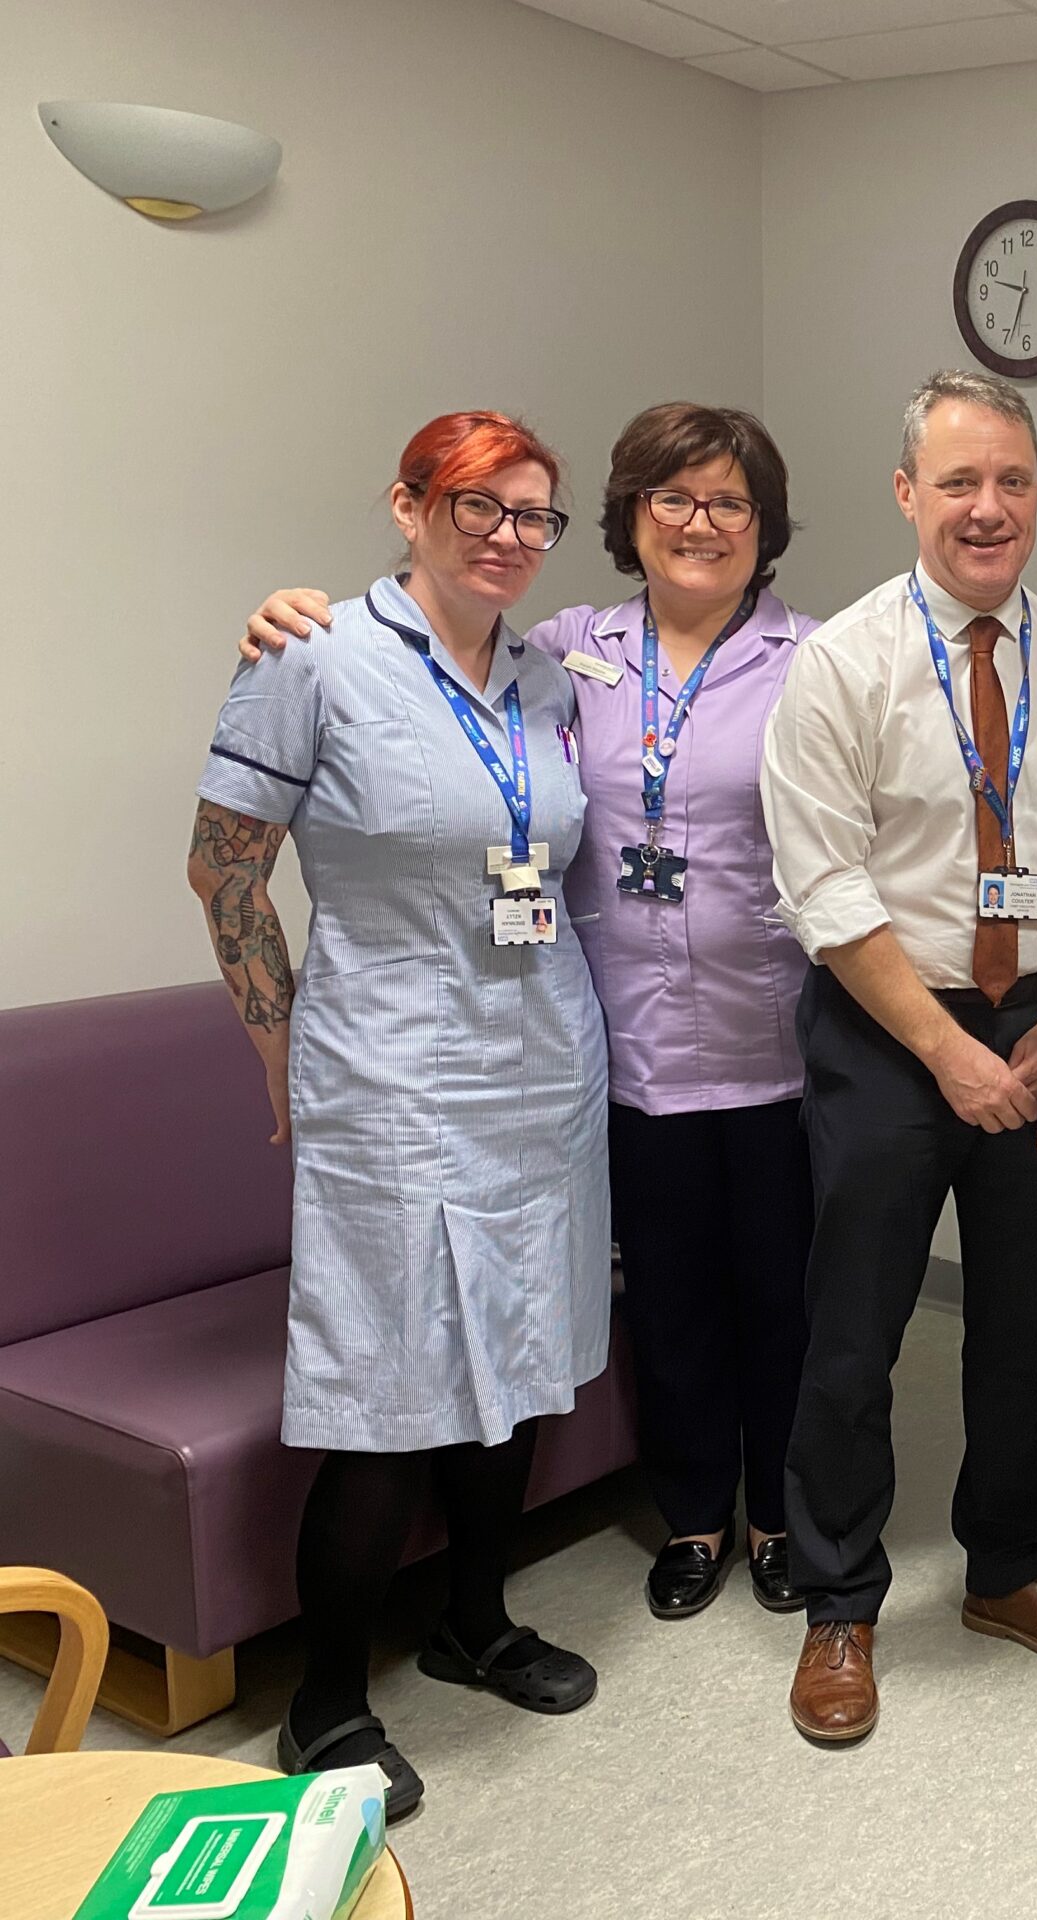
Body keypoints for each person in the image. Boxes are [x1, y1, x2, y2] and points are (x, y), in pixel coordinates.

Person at [236, 404, 822, 1624]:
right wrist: (289, 612)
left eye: (729, 502)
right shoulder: (562, 654)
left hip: (777, 1046)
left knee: (785, 1301)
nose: (699, 523)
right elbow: (422, 660)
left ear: (764, 526)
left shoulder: (817, 660)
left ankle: (783, 1518)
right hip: (619, 1048)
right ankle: (694, 1517)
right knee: (669, 1302)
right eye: (672, 498)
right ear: (629, 518)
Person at [188, 411, 609, 1825]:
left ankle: (473, 1623)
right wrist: (276, 1045)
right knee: (386, 1395)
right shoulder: (311, 658)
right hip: (391, 1082)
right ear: (410, 506)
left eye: (533, 515)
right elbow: (223, 870)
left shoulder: (544, 679)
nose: (508, 536)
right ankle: (325, 1701)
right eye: (477, 505)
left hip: (542, 1074)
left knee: (522, 1361)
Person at [760, 370, 1037, 1747]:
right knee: (854, 1335)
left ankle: (1007, 1569)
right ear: (907, 492)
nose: (988, 508)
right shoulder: (842, 664)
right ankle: (839, 1600)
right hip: (886, 1027)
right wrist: (944, 1051)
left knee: (1028, 1330)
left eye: (1013, 481)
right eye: (960, 481)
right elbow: (823, 885)